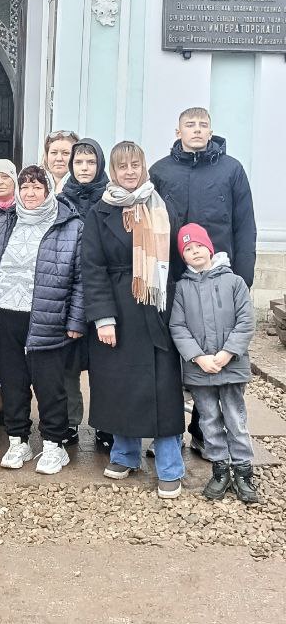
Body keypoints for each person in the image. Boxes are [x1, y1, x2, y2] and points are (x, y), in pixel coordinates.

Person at [150, 106, 258, 456]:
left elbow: (245, 225)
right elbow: (148, 225)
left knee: (213, 351)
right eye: (190, 125)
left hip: (219, 279)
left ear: (210, 131)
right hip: (172, 279)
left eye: (203, 125)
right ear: (178, 131)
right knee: (172, 353)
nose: (197, 130)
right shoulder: (161, 171)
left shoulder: (231, 170)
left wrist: (243, 277)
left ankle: (203, 432)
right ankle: (167, 431)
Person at [81, 141, 186, 498]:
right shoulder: (99, 212)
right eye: (122, 166)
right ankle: (125, 454)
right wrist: (102, 318)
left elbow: (180, 260)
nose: (129, 172)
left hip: (157, 305)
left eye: (135, 165)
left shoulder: (162, 206)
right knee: (119, 385)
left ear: (143, 167)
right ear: (112, 171)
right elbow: (92, 268)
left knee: (163, 388)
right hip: (118, 309)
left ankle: (170, 465)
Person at [0, 166, 85, 474]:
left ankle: (54, 445)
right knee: (13, 381)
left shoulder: (70, 225)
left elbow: (81, 279)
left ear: (48, 190)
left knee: (50, 384)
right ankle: (18, 440)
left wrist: (76, 320)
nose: (30, 193)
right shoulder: (6, 222)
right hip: (6, 313)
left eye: (37, 187)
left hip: (47, 316)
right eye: (24, 187)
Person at [169, 223, 259, 505]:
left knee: (235, 418)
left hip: (231, 366)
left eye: (199, 246)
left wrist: (228, 352)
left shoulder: (234, 282)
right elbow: (178, 326)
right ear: (183, 255)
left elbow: (246, 321)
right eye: (188, 249)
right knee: (209, 420)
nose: (195, 251)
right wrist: (198, 357)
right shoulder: (182, 288)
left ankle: (243, 471)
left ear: (209, 248)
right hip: (200, 370)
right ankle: (219, 469)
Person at [60, 138, 111, 449]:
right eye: (79, 162)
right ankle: (70, 420)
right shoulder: (61, 200)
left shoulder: (112, 198)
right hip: (69, 291)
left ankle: (107, 423)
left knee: (105, 363)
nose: (84, 168)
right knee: (68, 363)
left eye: (90, 162)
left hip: (104, 288)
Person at [42, 129, 79, 193]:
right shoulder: (33, 185)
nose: (59, 159)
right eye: (54, 152)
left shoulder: (85, 189)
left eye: (65, 153)